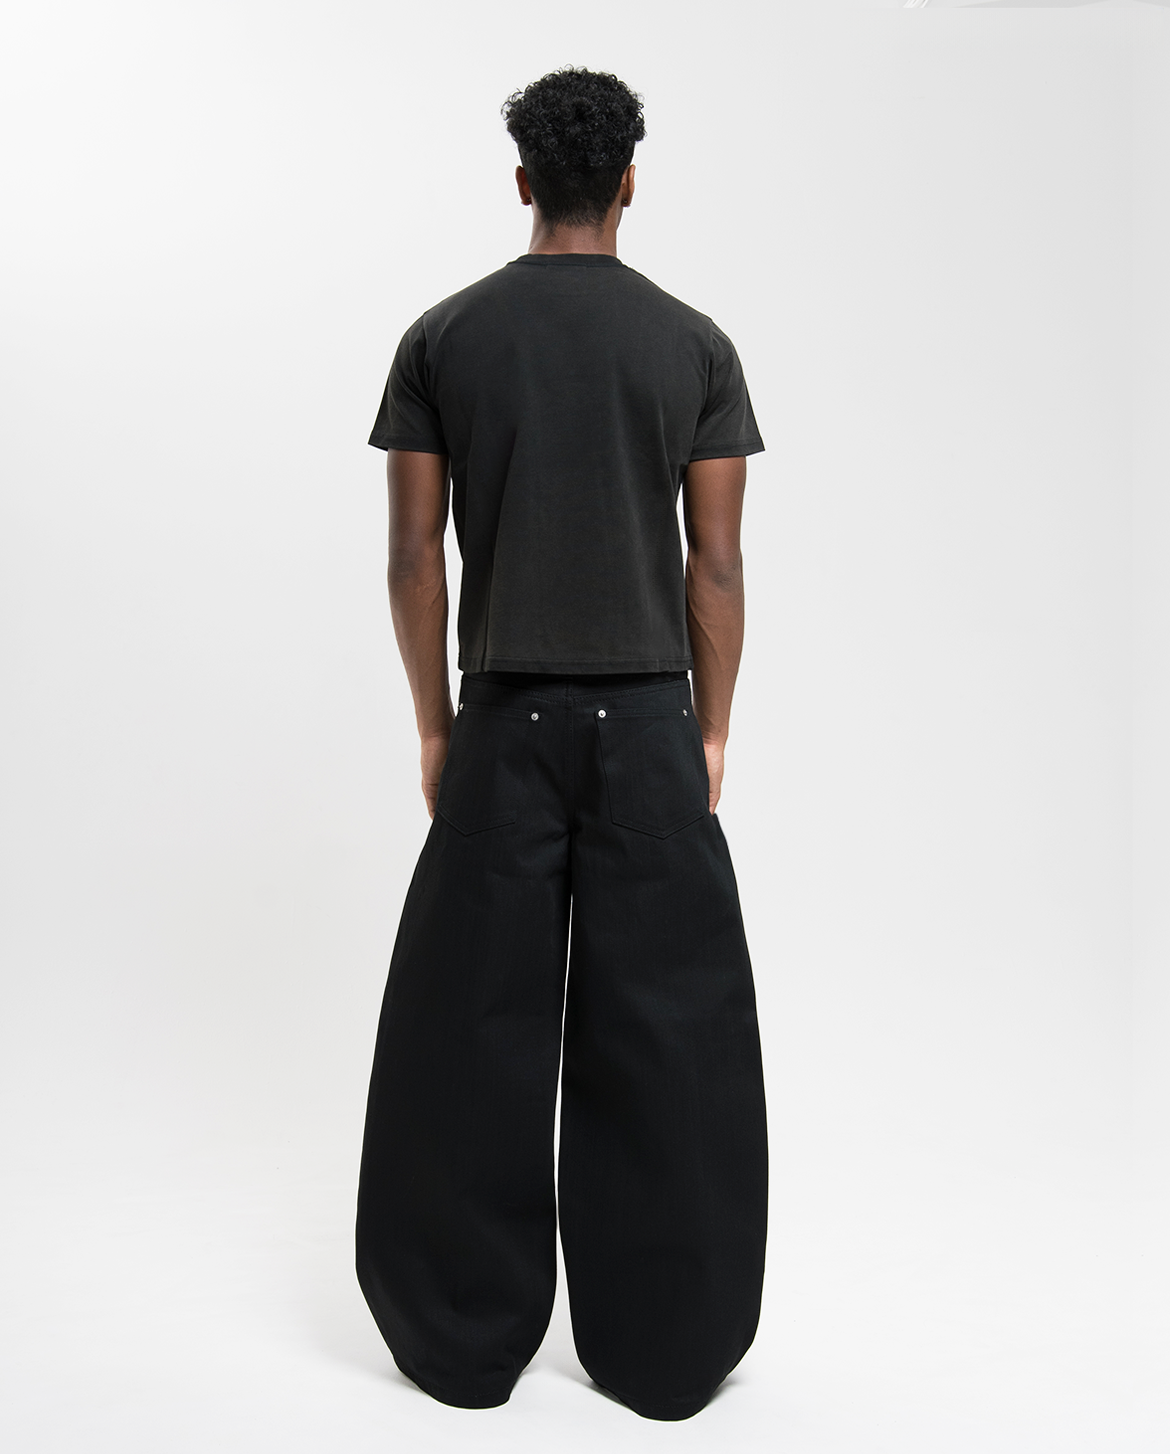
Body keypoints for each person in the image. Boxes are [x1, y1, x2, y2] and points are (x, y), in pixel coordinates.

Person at [355, 66, 768, 1423]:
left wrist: (436, 723)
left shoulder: (444, 337)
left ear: (524, 179)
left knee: (468, 1028)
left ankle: (459, 1340)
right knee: (670, 1031)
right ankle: (665, 1349)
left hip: (503, 716)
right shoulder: (694, 345)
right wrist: (710, 725)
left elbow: (414, 555)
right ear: (629, 182)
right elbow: (716, 565)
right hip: (648, 720)